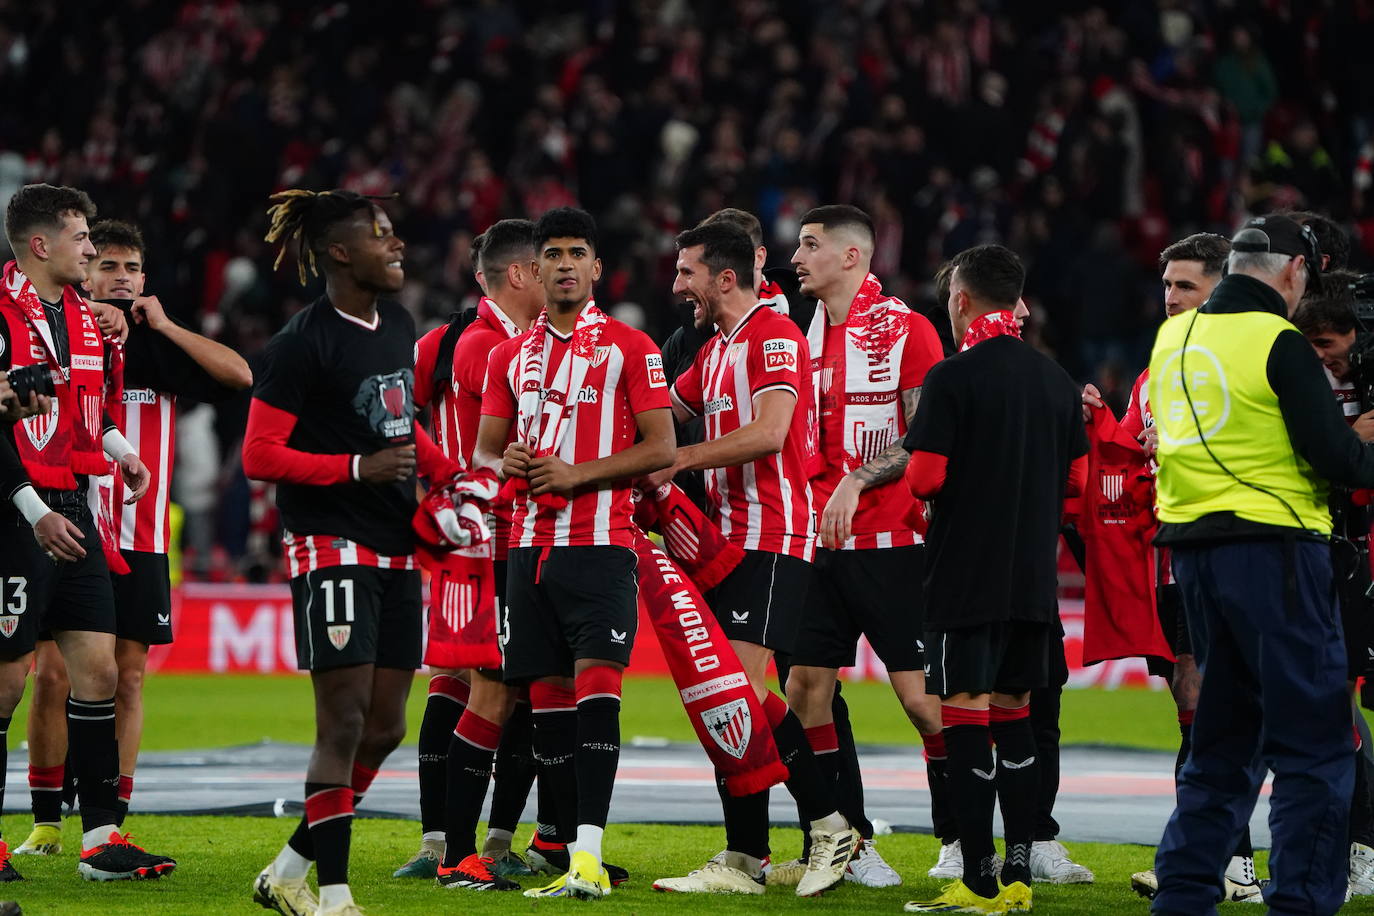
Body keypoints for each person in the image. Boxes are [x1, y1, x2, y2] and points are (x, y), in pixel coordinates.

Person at [1146, 214, 1374, 915]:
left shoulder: (1172, 335)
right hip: (1275, 552)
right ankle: (1303, 901)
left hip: (1195, 556)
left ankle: (1183, 898)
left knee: (1222, 744)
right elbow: (1338, 462)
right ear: (1293, 273)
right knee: (1316, 745)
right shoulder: (1278, 340)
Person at [244, 188, 462, 916]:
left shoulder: (397, 323)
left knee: (388, 725)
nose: (397, 245)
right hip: (331, 542)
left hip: (399, 541)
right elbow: (259, 454)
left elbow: (401, 418)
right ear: (341, 252)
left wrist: (447, 476)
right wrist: (353, 470)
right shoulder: (299, 344)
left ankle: (288, 870)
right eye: (382, 235)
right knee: (341, 720)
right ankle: (335, 896)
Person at [15, 219, 251, 857]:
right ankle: (45, 820)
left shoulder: (155, 343)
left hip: (139, 532)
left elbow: (239, 375)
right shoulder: (54, 331)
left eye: (133, 269)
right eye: (109, 266)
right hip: (60, 517)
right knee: (51, 675)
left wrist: (167, 325)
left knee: (126, 677)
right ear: (84, 271)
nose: (122, 278)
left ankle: (109, 818)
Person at [649, 221, 859, 898]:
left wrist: (674, 460)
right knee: (723, 698)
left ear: (725, 277)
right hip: (723, 544)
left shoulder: (774, 335)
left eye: (688, 273)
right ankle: (744, 858)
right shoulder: (716, 350)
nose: (679, 286)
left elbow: (769, 433)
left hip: (772, 536)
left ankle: (830, 825)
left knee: (736, 691)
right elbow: (659, 410)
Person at [471, 206, 675, 900]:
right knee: (545, 705)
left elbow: (662, 449)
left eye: (576, 253)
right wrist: (512, 463)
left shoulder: (630, 346)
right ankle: (567, 857)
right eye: (551, 253)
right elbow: (484, 451)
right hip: (531, 550)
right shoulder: (508, 355)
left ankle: (588, 853)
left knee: (596, 697)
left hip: (600, 544)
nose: (563, 264)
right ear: (538, 268)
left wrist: (578, 474)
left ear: (596, 268)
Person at [1082, 232, 1267, 903]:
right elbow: (1135, 455)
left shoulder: (1253, 356)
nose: (1170, 299)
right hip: (1172, 566)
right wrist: (1107, 427)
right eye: (1165, 286)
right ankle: (1220, 856)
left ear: (1219, 288)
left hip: (1234, 556)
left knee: (1219, 706)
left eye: (1184, 286)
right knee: (1195, 712)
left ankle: (1229, 858)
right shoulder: (1155, 369)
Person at [903, 244, 1087, 914]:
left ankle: (977, 878)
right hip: (1033, 584)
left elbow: (923, 477)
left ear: (960, 299)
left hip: (964, 579)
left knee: (965, 719)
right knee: (1016, 719)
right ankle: (1017, 876)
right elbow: (1078, 483)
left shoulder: (952, 378)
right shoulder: (1056, 381)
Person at [0, 183, 175, 882]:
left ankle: (101, 839)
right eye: (81, 238)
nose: (93, 250)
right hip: (12, 513)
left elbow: (89, 413)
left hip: (73, 508)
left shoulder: (85, 317)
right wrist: (32, 512)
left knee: (97, 671)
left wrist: (119, 450)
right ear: (41, 245)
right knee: (7, 684)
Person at [780, 204, 944, 890]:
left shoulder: (907, 330)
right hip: (817, 543)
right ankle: (847, 839)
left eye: (811, 245)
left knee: (922, 703)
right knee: (805, 690)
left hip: (893, 539)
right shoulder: (796, 334)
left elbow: (922, 436)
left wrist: (854, 478)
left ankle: (964, 840)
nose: (797, 257)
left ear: (852, 257)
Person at [396, 220, 545, 885]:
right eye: (549, 265)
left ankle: (442, 844)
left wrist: (429, 496)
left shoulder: (444, 338)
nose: (561, 278)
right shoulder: (497, 349)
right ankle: (473, 845)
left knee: (458, 685)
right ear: (519, 275)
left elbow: (395, 407)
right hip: (499, 539)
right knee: (507, 690)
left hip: (465, 540)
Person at [1292, 275, 1374, 900]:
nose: (1322, 355)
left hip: (1353, 559)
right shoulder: (1300, 386)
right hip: (1325, 554)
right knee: (1330, 709)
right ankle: (1354, 850)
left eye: (1330, 343)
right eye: (1311, 343)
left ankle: (1362, 849)